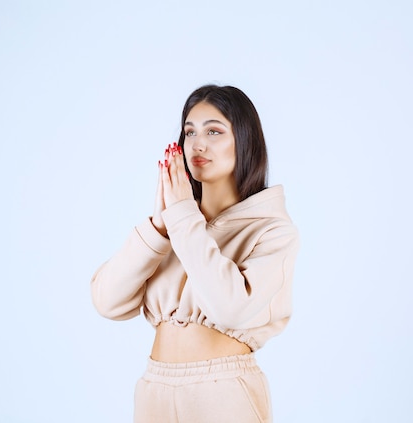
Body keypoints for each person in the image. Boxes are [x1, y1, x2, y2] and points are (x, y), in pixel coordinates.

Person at [91, 84, 299, 422]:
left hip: (223, 395)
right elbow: (107, 301)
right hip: (154, 391)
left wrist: (184, 220)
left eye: (214, 131)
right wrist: (159, 228)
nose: (197, 144)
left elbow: (231, 309)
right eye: (189, 132)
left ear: (245, 141)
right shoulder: (175, 224)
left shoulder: (272, 230)